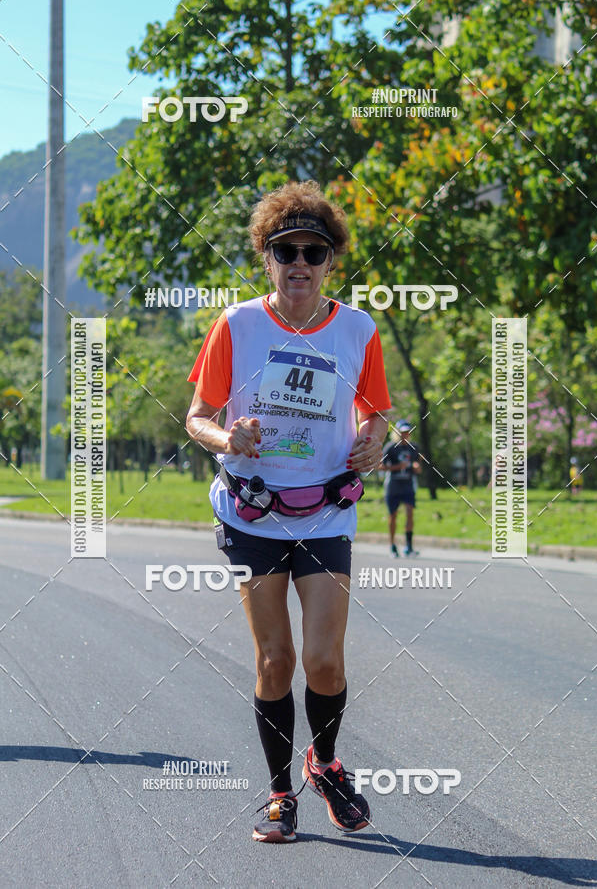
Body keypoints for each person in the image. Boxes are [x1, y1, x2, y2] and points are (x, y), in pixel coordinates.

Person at [185, 180, 391, 843]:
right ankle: (280, 795)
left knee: (324, 661)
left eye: (314, 251)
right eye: (286, 251)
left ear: (331, 260)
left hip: (327, 511)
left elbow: (376, 413)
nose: (299, 262)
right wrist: (227, 438)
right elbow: (197, 416)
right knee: (276, 660)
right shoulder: (236, 325)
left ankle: (323, 764)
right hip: (253, 513)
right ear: (266, 257)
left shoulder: (358, 330)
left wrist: (373, 441)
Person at [381, 420, 421, 557]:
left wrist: (416, 467)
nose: (405, 435)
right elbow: (380, 466)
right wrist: (397, 467)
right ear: (397, 433)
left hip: (408, 485)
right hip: (393, 485)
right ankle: (392, 545)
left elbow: (418, 464)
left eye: (407, 432)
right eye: (402, 432)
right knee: (393, 515)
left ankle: (409, 547)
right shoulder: (390, 447)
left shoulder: (414, 447)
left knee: (410, 513)